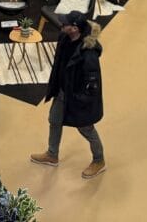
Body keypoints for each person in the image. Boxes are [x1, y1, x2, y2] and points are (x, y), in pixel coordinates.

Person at [30, 11, 106, 180]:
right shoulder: (65, 38)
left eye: (65, 24)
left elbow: (92, 85)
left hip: (78, 98)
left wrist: (81, 101)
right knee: (54, 120)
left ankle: (99, 160)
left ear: (75, 28)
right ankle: (52, 154)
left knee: (86, 128)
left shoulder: (89, 53)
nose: (61, 25)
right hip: (63, 91)